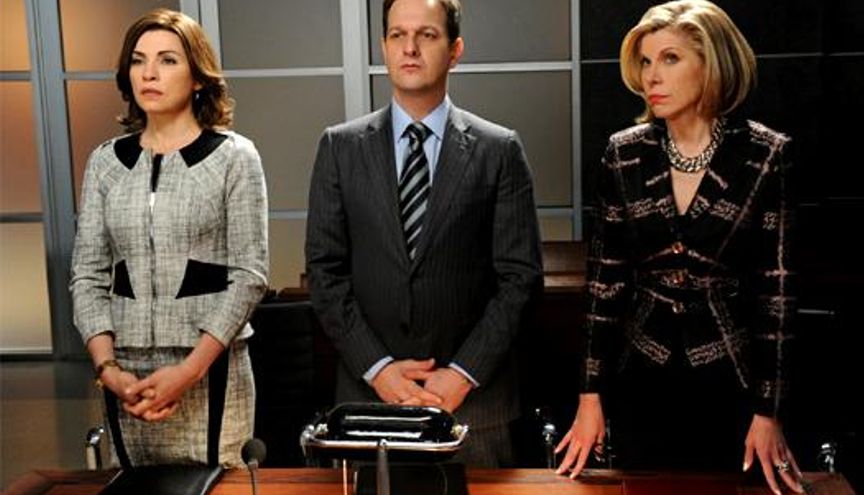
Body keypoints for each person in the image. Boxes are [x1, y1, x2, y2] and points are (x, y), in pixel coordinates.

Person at [554, 1, 803, 494]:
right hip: (640, 375)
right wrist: (589, 397)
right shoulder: (624, 152)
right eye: (646, 61)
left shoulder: (766, 154)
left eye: (670, 59)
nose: (652, 76)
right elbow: (604, 286)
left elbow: (776, 295)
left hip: (732, 381)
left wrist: (768, 412)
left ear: (711, 65)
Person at [306, 0, 542, 467]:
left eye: (427, 35)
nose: (410, 48)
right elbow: (324, 272)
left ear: (455, 50)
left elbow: (521, 279)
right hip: (369, 402)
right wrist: (378, 369)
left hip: (474, 405)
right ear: (384, 46)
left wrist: (462, 374)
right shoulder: (340, 147)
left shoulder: (499, 150)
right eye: (398, 35)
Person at [70, 8, 268, 468]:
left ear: (198, 77)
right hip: (125, 376)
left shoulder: (234, 158)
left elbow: (250, 276)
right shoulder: (106, 162)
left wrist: (189, 370)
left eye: (168, 60)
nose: (149, 74)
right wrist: (107, 369)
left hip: (210, 369)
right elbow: (87, 275)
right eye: (138, 61)